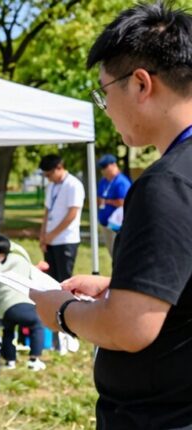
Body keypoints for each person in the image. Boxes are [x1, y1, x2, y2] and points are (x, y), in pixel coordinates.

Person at [31, 2, 192, 428]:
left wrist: (61, 312)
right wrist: (121, 284)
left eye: (105, 92)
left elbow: (130, 327)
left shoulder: (167, 183)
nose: (105, 107)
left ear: (140, 84)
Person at [0, 236, 47, 371]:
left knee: (8, 331)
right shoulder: (20, 259)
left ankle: (10, 362)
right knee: (37, 324)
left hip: (5, 310)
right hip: (23, 303)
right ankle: (34, 359)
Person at [38, 154, 85, 283]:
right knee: (50, 279)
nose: (48, 179)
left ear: (59, 167)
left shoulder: (73, 185)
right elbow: (47, 211)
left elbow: (72, 214)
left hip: (66, 240)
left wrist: (52, 235)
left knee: (64, 280)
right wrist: (43, 235)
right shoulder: (52, 186)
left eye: (49, 175)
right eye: (45, 176)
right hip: (50, 240)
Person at [96, 154, 131, 257]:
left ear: (113, 165)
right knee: (112, 253)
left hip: (116, 224)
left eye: (105, 167)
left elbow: (123, 202)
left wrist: (106, 202)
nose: (103, 171)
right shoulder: (104, 180)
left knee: (118, 253)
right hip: (105, 223)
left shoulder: (121, 182)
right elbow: (98, 197)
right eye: (101, 168)